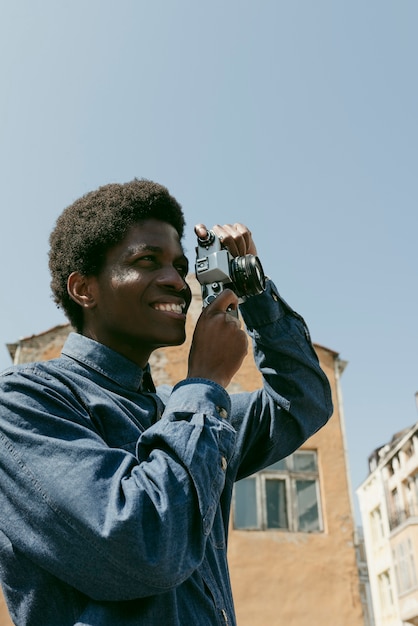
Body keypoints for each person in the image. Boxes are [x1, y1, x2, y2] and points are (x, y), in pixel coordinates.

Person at [0, 179, 332, 626]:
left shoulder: (184, 413)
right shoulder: (25, 401)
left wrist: (252, 289)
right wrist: (204, 380)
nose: (177, 282)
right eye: (147, 261)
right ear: (84, 289)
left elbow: (304, 401)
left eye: (180, 265)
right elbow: (144, 546)